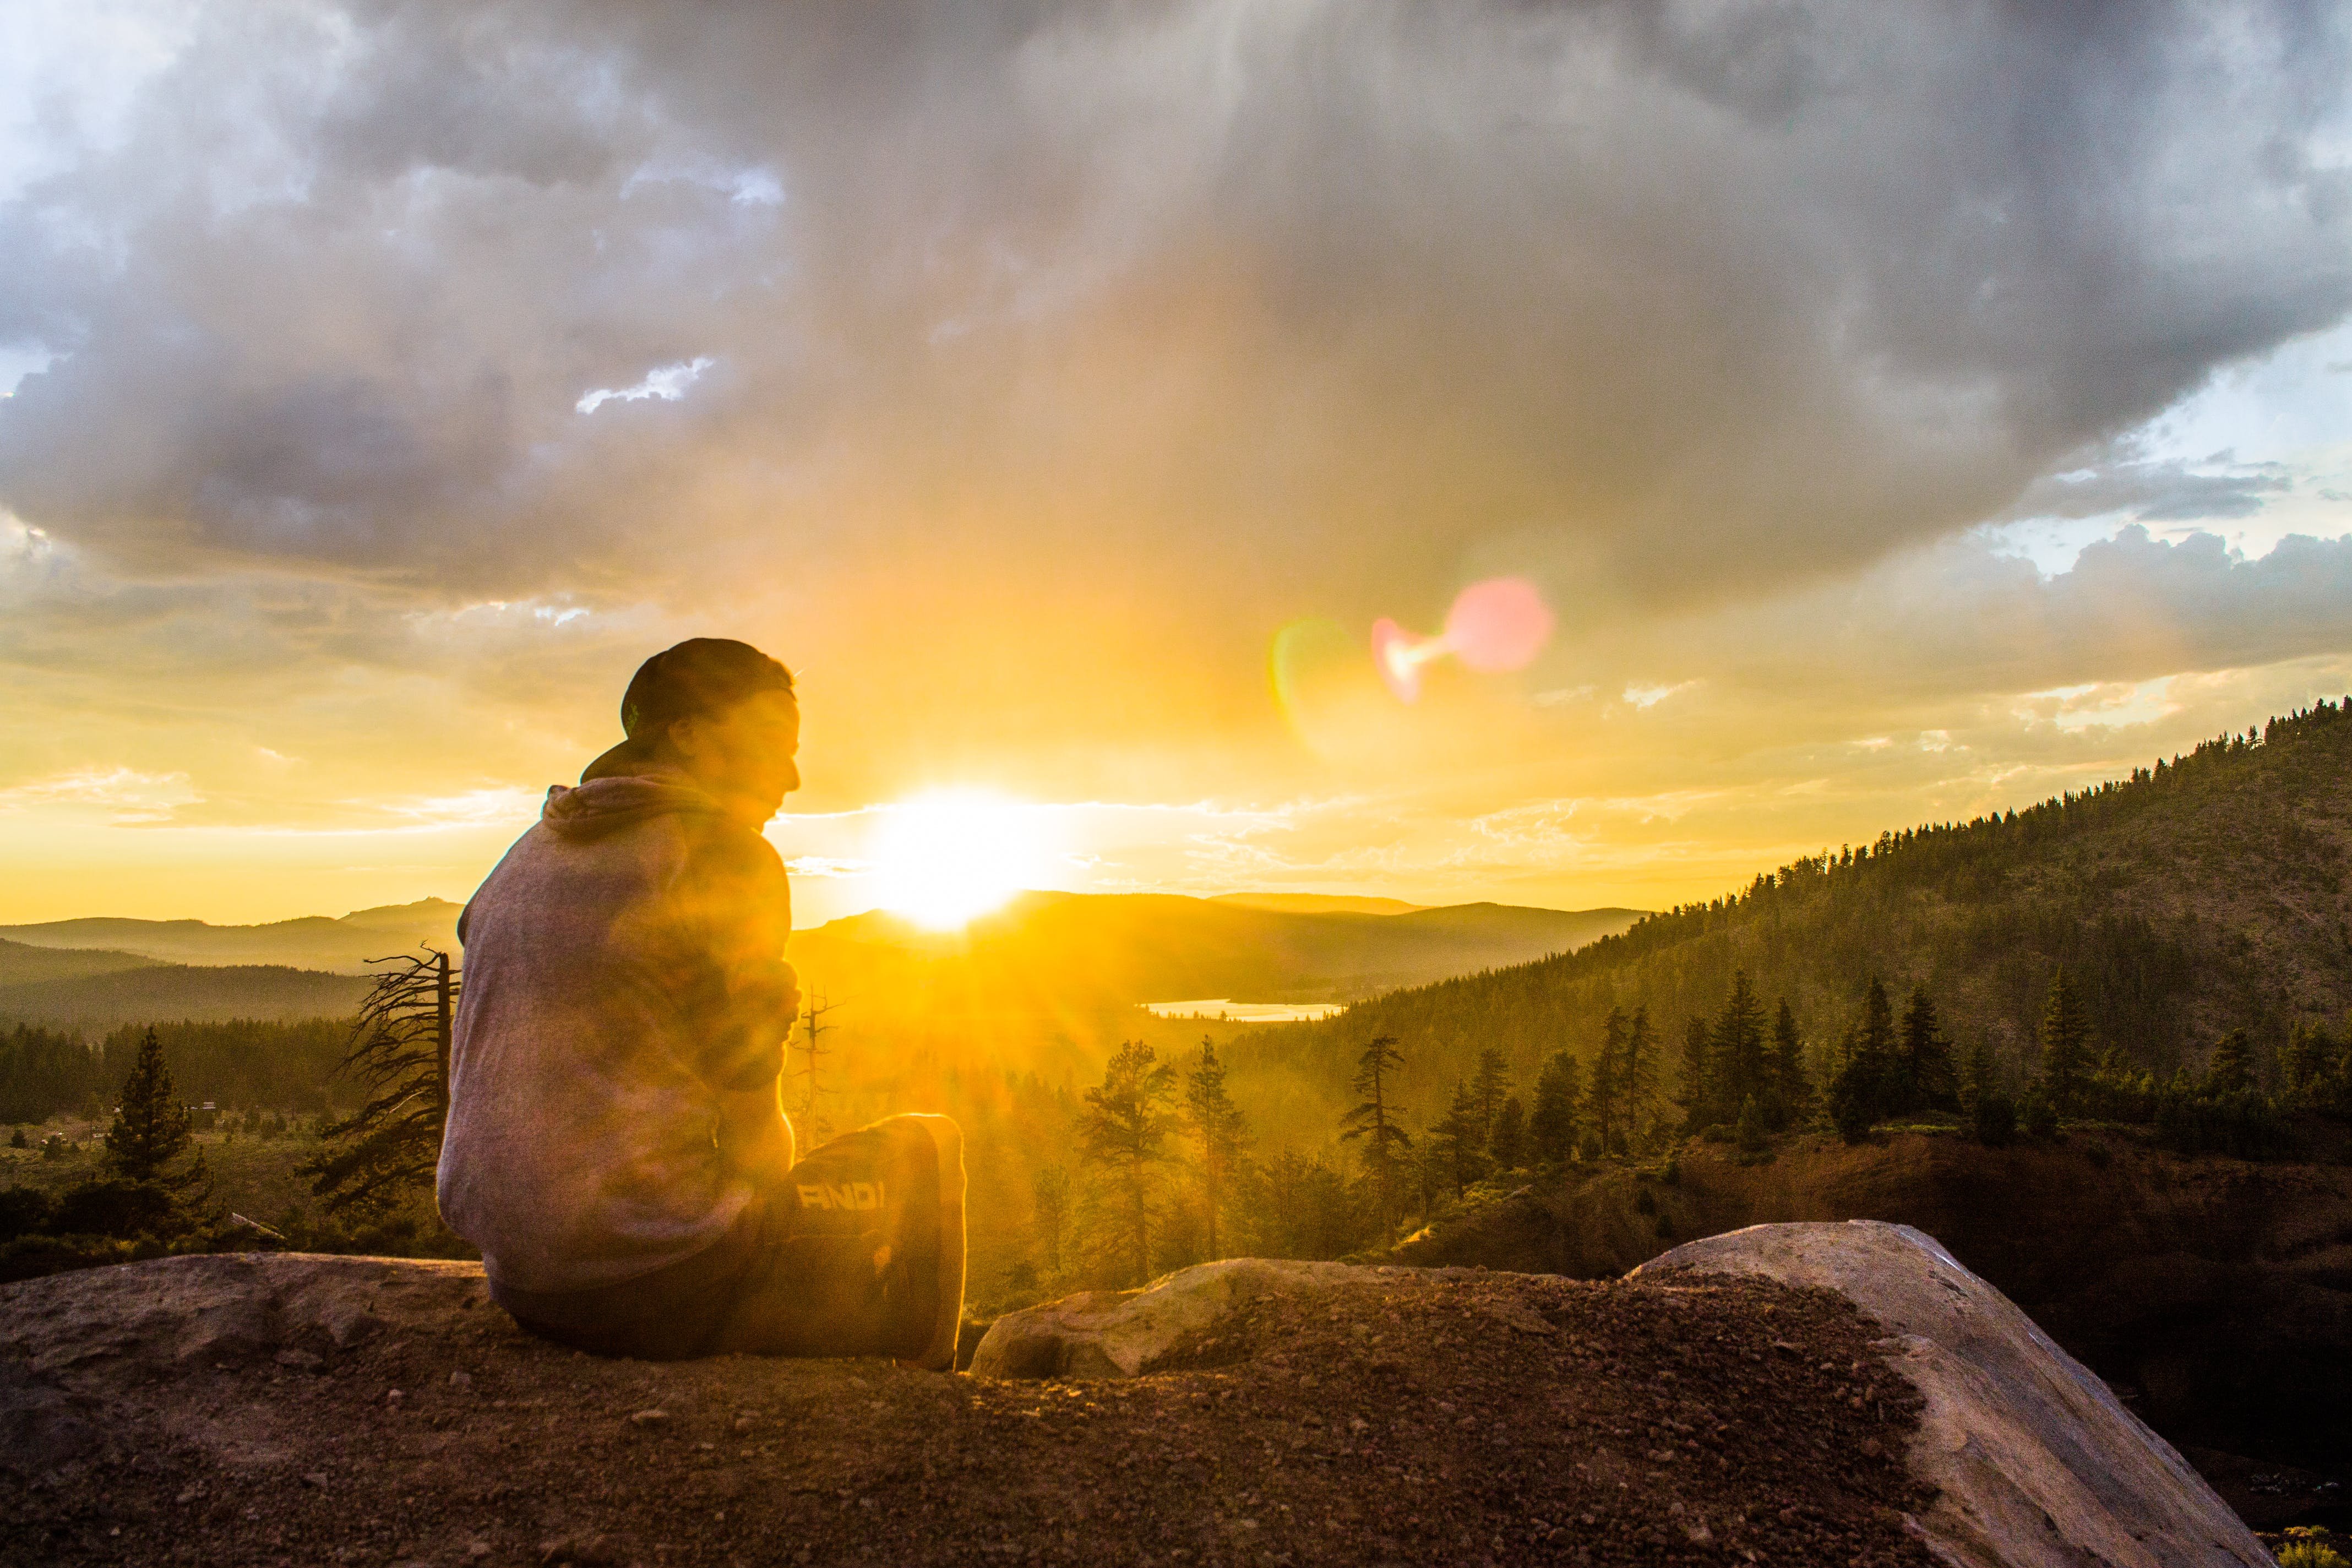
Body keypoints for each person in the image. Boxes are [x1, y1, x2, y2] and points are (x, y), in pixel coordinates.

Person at [437, 638, 966, 1365]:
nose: (793, 775)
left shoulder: (526, 854)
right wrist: (779, 1228)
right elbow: (750, 1110)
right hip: (651, 1286)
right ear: (685, 734)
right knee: (927, 1148)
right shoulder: (723, 855)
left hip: (521, 1283)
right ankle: (925, 1373)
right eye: (772, 743)